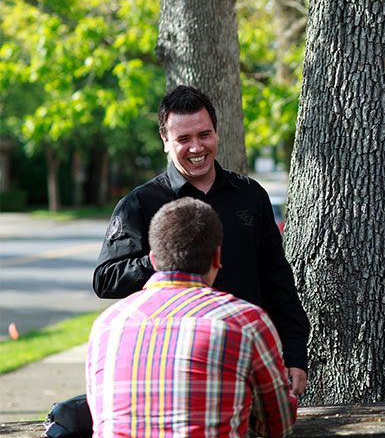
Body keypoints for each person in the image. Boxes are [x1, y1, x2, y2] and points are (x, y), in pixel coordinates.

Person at [86, 198, 297, 438]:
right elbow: (278, 427)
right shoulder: (244, 321)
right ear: (217, 257)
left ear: (154, 259)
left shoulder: (107, 325)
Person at [93, 85, 309, 395]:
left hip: (247, 360)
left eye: (204, 135)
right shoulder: (140, 204)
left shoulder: (250, 196)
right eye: (183, 139)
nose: (196, 147)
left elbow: (277, 279)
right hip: (171, 365)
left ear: (217, 133)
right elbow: (106, 279)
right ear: (166, 142)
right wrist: (157, 261)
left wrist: (294, 353)